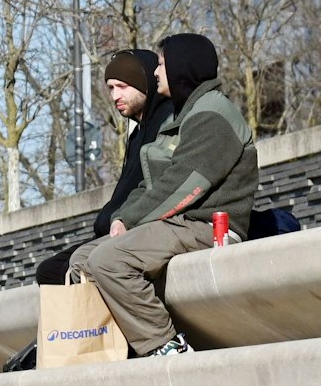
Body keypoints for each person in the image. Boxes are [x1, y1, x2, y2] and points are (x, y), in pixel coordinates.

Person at [68, 33, 258, 358]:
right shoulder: (184, 115)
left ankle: (167, 346)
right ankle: (107, 350)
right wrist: (122, 217)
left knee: (109, 260)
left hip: (205, 226)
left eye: (161, 64)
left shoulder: (213, 115)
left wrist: (129, 221)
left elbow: (181, 187)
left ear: (182, 68)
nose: (156, 72)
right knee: (81, 261)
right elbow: (154, 183)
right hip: (176, 223)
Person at [35, 50, 176, 283]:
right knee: (51, 271)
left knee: (62, 271)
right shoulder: (137, 132)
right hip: (117, 229)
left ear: (145, 84)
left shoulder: (166, 121)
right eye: (111, 88)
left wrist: (119, 219)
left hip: (138, 229)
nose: (114, 96)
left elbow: (155, 185)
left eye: (122, 86)